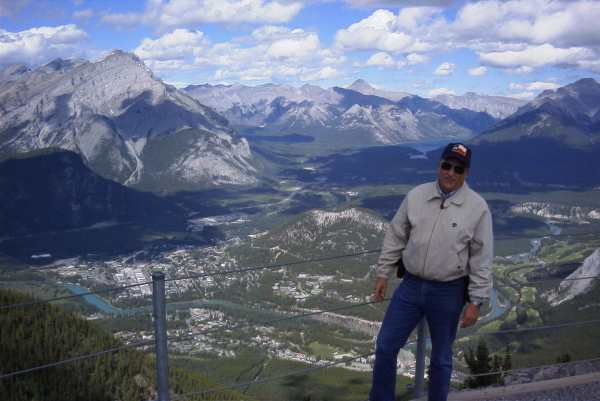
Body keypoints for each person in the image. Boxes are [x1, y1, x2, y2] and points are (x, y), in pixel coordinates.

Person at [369, 143, 493, 401]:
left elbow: (482, 258)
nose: (450, 172)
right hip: (411, 285)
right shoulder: (416, 196)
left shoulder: (477, 208)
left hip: (449, 290)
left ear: (466, 173)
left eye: (458, 169)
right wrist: (383, 273)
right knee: (385, 346)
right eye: (446, 165)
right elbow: (395, 236)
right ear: (438, 165)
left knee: (441, 358)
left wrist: (476, 301)